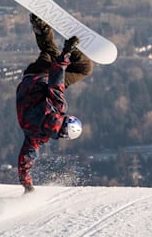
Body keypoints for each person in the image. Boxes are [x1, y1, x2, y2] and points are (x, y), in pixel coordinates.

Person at [16, 13, 94, 193]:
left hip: (42, 78)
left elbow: (56, 82)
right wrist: (27, 185)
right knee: (49, 53)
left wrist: (67, 52)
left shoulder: (57, 109)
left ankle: (45, 28)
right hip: (28, 79)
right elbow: (24, 161)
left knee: (80, 65)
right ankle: (40, 26)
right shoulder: (36, 136)